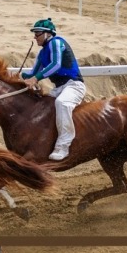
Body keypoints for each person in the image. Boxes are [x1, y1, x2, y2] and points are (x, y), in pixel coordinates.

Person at [21, 18, 86, 161]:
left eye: (37, 33)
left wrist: (36, 78)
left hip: (73, 85)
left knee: (61, 103)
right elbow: (32, 73)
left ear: (47, 34)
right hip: (60, 87)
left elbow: (55, 65)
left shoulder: (56, 42)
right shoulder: (42, 52)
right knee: (43, 106)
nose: (35, 37)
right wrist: (20, 77)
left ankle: (63, 145)